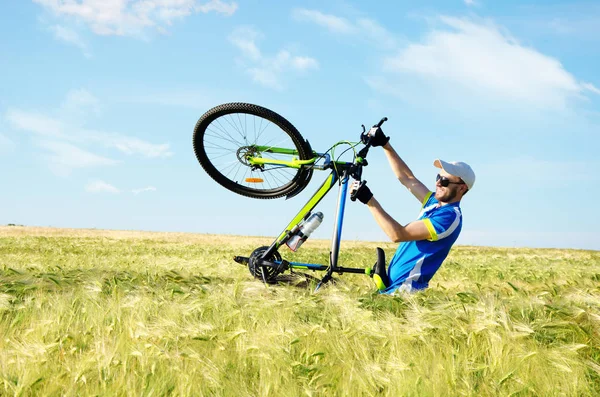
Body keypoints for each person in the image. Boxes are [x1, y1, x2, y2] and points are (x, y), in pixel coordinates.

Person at [350, 126, 475, 294]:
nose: (438, 183)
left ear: (461, 188)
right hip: (392, 287)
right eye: (438, 177)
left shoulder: (449, 217)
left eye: (444, 181)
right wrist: (385, 144)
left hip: (404, 291)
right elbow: (407, 178)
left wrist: (369, 200)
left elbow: (398, 235)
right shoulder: (433, 202)